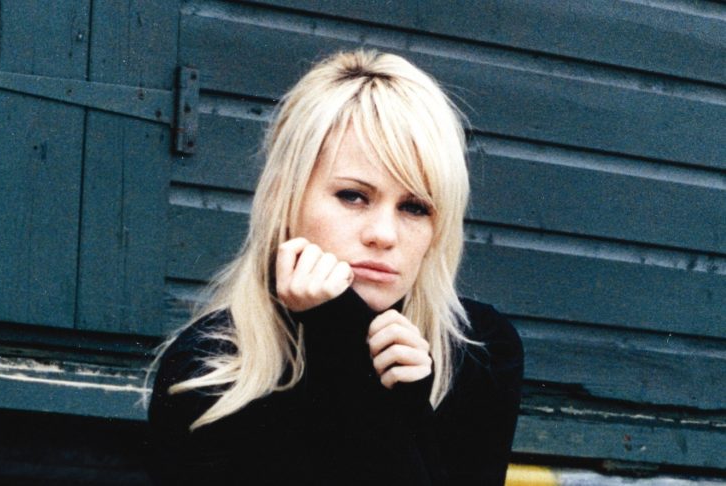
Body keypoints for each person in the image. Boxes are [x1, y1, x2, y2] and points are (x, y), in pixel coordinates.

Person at [147, 49, 523, 486]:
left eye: (415, 207)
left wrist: (406, 404)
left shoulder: (479, 349)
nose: (383, 234)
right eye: (353, 196)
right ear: (286, 198)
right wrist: (342, 344)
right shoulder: (209, 369)